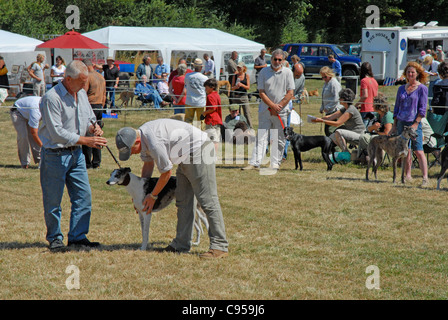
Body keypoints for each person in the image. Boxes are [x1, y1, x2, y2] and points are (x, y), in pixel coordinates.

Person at [115, 119, 229, 259]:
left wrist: (153, 196)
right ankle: (181, 244)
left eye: (132, 151)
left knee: (207, 200)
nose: (132, 154)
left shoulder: (153, 141)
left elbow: (166, 173)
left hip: (199, 150)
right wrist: (141, 194)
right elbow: (148, 165)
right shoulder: (142, 136)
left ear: (137, 142)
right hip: (184, 157)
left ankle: (220, 246)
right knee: (183, 202)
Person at [38, 60, 107, 251]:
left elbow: (88, 117)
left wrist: (94, 128)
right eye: (82, 82)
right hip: (54, 155)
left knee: (83, 197)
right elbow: (57, 133)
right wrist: (87, 141)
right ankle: (55, 238)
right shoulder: (52, 98)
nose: (85, 86)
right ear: (68, 79)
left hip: (76, 155)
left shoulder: (82, 94)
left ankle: (78, 237)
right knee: (53, 200)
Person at [242, 49, 295, 171]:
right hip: (265, 110)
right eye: (275, 59)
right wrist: (272, 106)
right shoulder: (264, 72)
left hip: (281, 111)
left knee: (279, 137)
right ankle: (255, 162)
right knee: (261, 136)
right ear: (271, 59)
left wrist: (279, 106)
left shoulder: (288, 72)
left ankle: (275, 162)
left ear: (283, 60)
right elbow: (261, 92)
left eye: (279, 59)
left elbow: (290, 92)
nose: (277, 61)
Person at [392, 61, 429, 186]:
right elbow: (396, 107)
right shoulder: (401, 88)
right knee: (405, 150)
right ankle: (407, 175)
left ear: (417, 74)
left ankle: (425, 177)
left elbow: (422, 109)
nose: (410, 74)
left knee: (418, 150)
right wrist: (394, 124)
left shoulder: (422, 89)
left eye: (413, 72)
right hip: (401, 122)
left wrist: (416, 124)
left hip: (414, 123)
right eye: (408, 72)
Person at [313, 88, 365, 155]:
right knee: (332, 137)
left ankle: (346, 153)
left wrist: (322, 121)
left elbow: (337, 123)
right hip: (352, 133)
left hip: (359, 135)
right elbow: (330, 117)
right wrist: (317, 119)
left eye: (340, 98)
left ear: (345, 99)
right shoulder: (345, 109)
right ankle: (334, 153)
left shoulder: (350, 110)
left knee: (338, 132)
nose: (339, 99)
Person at [82, 59, 106, 169]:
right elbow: (105, 95)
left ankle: (87, 162)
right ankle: (97, 162)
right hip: (100, 106)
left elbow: (83, 94)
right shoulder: (101, 76)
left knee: (88, 134)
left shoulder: (88, 77)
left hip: (90, 106)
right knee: (98, 133)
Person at [357, 93, 394, 160]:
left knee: (373, 139)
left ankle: (376, 158)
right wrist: (373, 127)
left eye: (373, 105)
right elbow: (368, 129)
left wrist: (377, 131)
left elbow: (387, 133)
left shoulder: (387, 116)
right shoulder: (377, 115)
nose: (372, 106)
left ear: (378, 106)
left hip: (386, 138)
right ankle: (360, 157)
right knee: (362, 136)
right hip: (377, 134)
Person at [10, 94, 42, 168]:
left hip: (28, 111)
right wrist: (43, 146)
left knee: (36, 136)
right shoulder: (36, 111)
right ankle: (25, 163)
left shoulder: (48, 107)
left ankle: (40, 160)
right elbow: (34, 132)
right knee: (23, 136)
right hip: (17, 111)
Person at [184, 58, 208, 128]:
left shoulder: (188, 76)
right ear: (201, 67)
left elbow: (186, 84)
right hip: (200, 102)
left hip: (190, 101)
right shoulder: (205, 78)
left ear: (194, 66)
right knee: (201, 121)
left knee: (188, 120)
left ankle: (188, 135)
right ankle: (201, 136)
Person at [320, 66, 343, 136]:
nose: (324, 79)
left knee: (330, 130)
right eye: (322, 77)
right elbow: (324, 96)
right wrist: (322, 107)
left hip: (334, 110)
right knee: (327, 130)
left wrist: (328, 107)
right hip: (328, 110)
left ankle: (335, 146)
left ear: (329, 75)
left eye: (325, 77)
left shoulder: (334, 83)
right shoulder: (326, 83)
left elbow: (336, 98)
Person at [202, 78, 222, 153]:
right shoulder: (216, 95)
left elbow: (213, 108)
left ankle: (212, 155)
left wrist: (204, 113)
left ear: (212, 87)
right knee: (216, 140)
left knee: (211, 140)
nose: (205, 89)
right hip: (217, 119)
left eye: (206, 88)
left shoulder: (210, 96)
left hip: (211, 120)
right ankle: (214, 155)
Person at [355, 62, 379, 126]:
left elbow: (365, 96)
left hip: (366, 110)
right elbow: (375, 96)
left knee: (363, 130)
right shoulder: (374, 80)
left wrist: (356, 105)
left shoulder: (363, 81)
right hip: (374, 109)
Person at [231, 61, 252, 128]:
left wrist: (242, 85)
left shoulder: (247, 76)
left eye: (240, 67)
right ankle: (238, 127)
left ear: (243, 68)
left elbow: (248, 87)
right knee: (237, 114)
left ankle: (250, 127)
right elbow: (232, 88)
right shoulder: (235, 76)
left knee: (247, 113)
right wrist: (235, 87)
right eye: (238, 67)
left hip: (244, 97)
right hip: (236, 97)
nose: (238, 68)